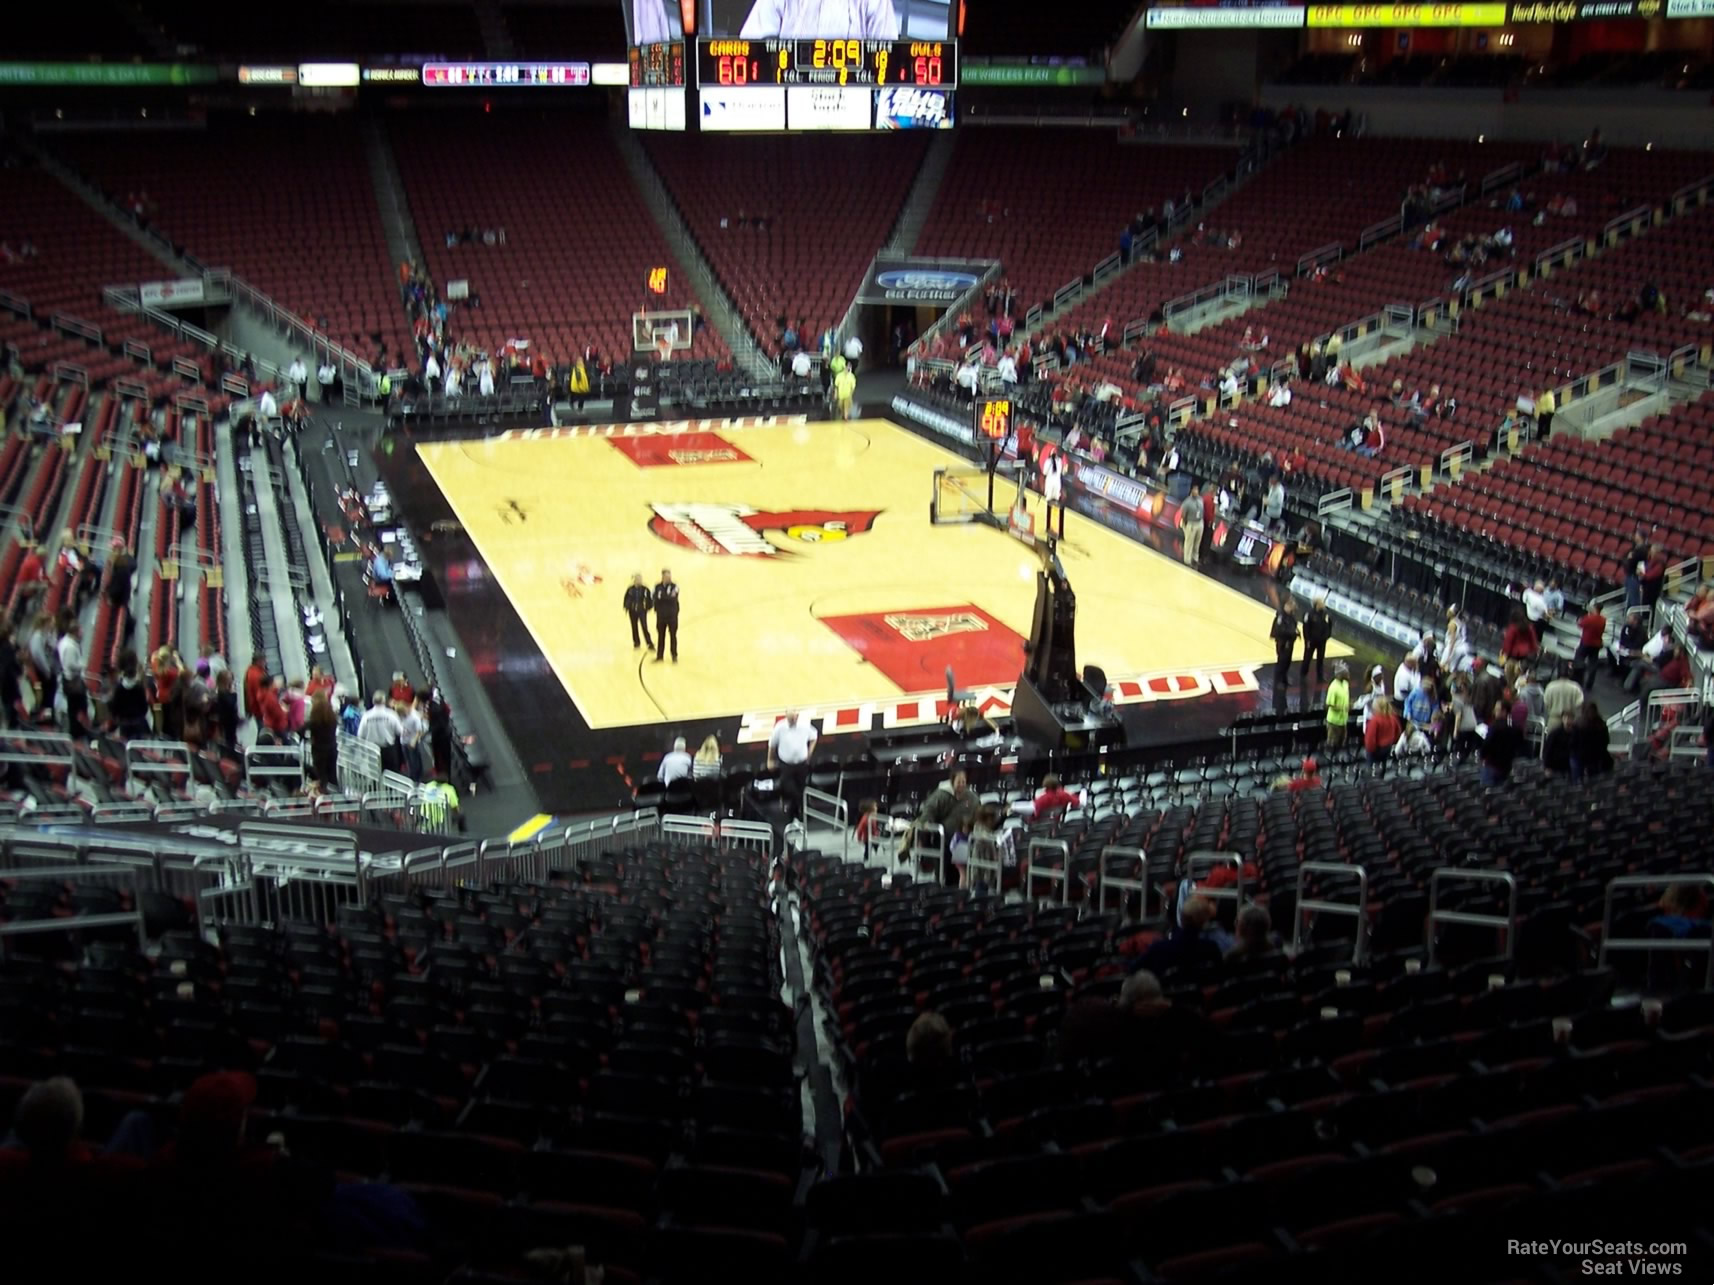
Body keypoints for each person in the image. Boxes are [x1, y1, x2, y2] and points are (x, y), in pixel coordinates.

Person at [1135, 896, 1223, 977]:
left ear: (1182, 918)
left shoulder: (1160, 948)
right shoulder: (1211, 949)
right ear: (1204, 921)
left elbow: (1134, 969)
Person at [767, 708, 817, 816]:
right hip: (786, 765)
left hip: (802, 764)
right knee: (790, 788)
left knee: (801, 787)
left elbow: (814, 737)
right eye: (790, 719)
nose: (792, 720)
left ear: (797, 716)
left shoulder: (804, 725)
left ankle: (794, 813)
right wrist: (770, 760)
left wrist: (809, 753)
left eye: (794, 718)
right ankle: (804, 806)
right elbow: (772, 744)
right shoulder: (780, 727)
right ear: (786, 717)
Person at [1479, 699, 1525, 787]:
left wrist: (1482, 756)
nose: (1494, 712)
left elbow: (1487, 744)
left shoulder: (1494, 727)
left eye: (1497, 709)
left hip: (1492, 765)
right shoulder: (1515, 727)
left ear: (1504, 711)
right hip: (1507, 766)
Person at [108, 649, 150, 739]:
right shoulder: (139, 687)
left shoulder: (118, 688)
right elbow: (144, 708)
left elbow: (114, 708)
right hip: (138, 724)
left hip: (124, 725)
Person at [357, 692, 404, 771]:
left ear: (373, 702)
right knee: (391, 774)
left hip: (372, 750)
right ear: (384, 701)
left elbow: (360, 735)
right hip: (388, 750)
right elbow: (399, 731)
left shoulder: (366, 716)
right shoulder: (391, 714)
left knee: (375, 773)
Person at [1569, 698, 1611, 782]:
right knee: (1593, 780)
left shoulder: (1578, 724)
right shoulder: (1601, 725)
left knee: (1577, 778)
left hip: (1579, 756)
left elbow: (1572, 742)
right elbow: (1606, 741)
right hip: (1596, 758)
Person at [57, 620, 87, 738]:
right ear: (75, 632)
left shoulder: (66, 641)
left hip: (70, 679)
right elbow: (71, 665)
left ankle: (78, 729)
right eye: (80, 630)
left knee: (74, 707)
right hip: (73, 682)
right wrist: (84, 665)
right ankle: (77, 732)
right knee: (77, 707)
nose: (82, 632)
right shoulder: (69, 646)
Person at [306, 691, 338, 786]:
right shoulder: (332, 716)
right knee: (332, 775)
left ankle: (324, 796)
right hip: (332, 748)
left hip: (319, 750)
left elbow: (303, 729)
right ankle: (335, 796)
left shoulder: (314, 719)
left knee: (321, 776)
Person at [1300, 594, 1332, 687]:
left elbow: (1329, 625)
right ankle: (1303, 674)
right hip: (1312, 641)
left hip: (1322, 641)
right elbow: (1306, 628)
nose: (1323, 604)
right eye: (1321, 602)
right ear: (1316, 604)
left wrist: (1327, 636)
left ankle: (1320, 676)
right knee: (1307, 658)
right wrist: (1307, 640)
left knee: (1320, 659)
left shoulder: (1326, 614)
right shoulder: (1309, 614)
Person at [1574, 603, 1607, 691]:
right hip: (1596, 644)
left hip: (1586, 642)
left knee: (1579, 658)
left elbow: (1580, 624)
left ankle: (1578, 679)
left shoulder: (1589, 618)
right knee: (1593, 663)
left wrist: (1585, 616)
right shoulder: (1603, 620)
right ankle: (1589, 684)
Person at [1270, 597, 1298, 694]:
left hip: (1290, 643)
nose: (1293, 610)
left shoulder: (1292, 617)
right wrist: (1292, 633)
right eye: (1292, 607)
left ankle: (1284, 679)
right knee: (1281, 662)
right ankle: (1278, 682)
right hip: (1282, 642)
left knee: (1287, 662)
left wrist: (1296, 633)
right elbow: (1280, 630)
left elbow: (1294, 626)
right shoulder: (1281, 617)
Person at [1365, 695, 1403, 767]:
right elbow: (1398, 732)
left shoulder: (1375, 720)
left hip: (1376, 750)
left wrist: (1370, 750)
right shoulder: (1393, 718)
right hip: (1389, 748)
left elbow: (1370, 739)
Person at [1543, 661, 1584, 726]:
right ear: (1570, 673)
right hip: (1570, 721)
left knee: (1553, 735)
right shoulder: (1576, 687)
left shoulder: (1550, 686)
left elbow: (1546, 703)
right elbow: (1579, 704)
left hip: (1554, 720)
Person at [652, 568, 679, 663]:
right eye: (666, 576)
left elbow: (672, 598)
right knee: (660, 636)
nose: (669, 578)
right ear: (662, 577)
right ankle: (660, 656)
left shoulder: (675, 586)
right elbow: (654, 597)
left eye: (669, 576)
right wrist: (664, 596)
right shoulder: (657, 586)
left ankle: (674, 656)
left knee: (673, 636)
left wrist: (661, 596)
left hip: (672, 616)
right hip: (661, 616)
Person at [623, 573, 653, 651]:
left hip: (642, 611)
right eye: (637, 579)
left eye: (640, 579)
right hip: (632, 611)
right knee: (634, 627)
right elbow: (626, 598)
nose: (639, 581)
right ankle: (636, 643)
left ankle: (649, 643)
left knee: (644, 627)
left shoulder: (645, 589)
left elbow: (650, 599)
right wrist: (627, 607)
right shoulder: (630, 589)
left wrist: (647, 608)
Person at [1324, 661, 1351, 748]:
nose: (1348, 674)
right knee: (1333, 745)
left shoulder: (1345, 684)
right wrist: (1342, 708)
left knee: (1342, 744)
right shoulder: (1333, 687)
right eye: (1346, 673)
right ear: (1340, 674)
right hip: (1334, 723)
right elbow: (1329, 704)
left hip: (1343, 721)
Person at [1177, 485, 1204, 567]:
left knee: (1197, 543)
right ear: (1191, 491)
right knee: (1189, 542)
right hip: (1191, 523)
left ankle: (1195, 558)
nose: (1196, 491)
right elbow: (1183, 514)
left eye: (1197, 490)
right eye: (1194, 490)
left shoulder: (1200, 499)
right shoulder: (1187, 502)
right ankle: (1187, 560)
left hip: (1199, 523)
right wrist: (1186, 524)